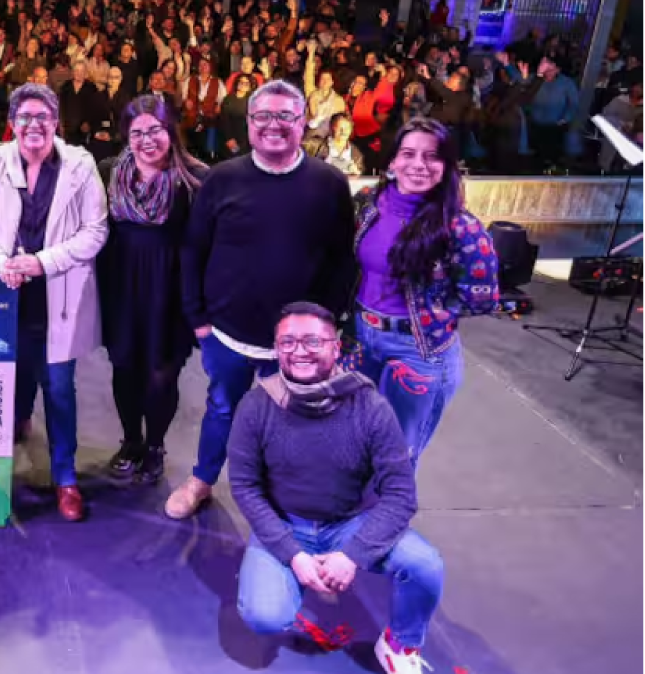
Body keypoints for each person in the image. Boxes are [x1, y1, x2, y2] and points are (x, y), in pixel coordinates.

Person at [169, 79, 356, 520]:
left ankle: (281, 498)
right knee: (220, 409)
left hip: (294, 343)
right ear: (250, 124)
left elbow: (341, 261)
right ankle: (201, 480)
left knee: (290, 421)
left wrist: (324, 328)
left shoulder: (328, 183)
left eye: (285, 116)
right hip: (227, 333)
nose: (274, 125)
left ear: (303, 122)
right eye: (263, 116)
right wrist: (199, 322)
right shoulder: (222, 179)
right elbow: (194, 249)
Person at [231, 303, 443, 674]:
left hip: (350, 523)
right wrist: (292, 553)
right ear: (276, 348)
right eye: (288, 342)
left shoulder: (370, 407)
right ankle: (293, 572)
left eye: (313, 341)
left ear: (336, 347)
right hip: (286, 523)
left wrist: (354, 554)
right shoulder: (256, 405)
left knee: (425, 566)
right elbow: (245, 486)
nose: (299, 351)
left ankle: (400, 644)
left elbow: (400, 493)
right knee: (265, 616)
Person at [0, 83, 108, 522]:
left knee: (60, 386)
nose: (33, 125)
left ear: (56, 121)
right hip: (4, 292)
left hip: (56, 294)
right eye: (24, 117)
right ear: (12, 122)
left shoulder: (81, 165)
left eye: (42, 117)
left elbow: (95, 231)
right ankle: (9, 441)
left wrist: (40, 264)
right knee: (11, 373)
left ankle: (65, 477)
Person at [352, 118, 498, 462]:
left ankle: (390, 517)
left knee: (396, 453)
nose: (418, 165)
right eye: (408, 154)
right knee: (356, 437)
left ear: (447, 166)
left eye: (432, 156)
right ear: (391, 161)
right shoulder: (367, 203)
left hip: (417, 350)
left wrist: (431, 308)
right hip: (359, 337)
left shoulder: (462, 228)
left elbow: (482, 299)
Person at [97, 95, 207, 484]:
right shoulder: (108, 171)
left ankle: (156, 445)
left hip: (172, 290)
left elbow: (208, 245)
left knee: (163, 374)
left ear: (171, 131)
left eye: (155, 130)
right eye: (137, 131)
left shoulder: (196, 178)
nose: (147, 139)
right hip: (121, 285)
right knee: (124, 367)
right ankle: (131, 441)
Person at [528, 56, 580, 170]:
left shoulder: (566, 83)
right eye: (545, 68)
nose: (547, 71)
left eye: (550, 68)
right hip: (535, 124)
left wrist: (565, 119)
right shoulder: (535, 80)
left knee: (552, 154)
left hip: (556, 125)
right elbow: (524, 91)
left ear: (557, 69)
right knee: (536, 157)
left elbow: (574, 103)